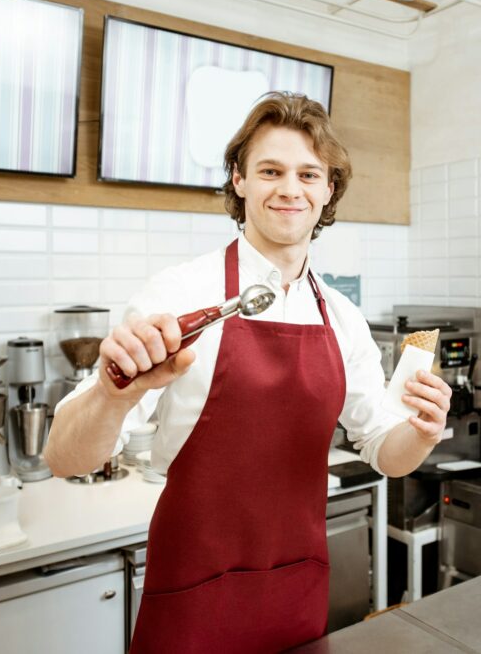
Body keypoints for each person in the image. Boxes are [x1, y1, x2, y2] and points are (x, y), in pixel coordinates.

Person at [45, 92, 451, 653]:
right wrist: (115, 396)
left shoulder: (341, 316)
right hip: (192, 594)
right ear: (239, 180)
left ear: (328, 189)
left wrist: (423, 431)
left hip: (298, 592)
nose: (291, 188)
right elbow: (65, 459)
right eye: (270, 171)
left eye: (309, 174)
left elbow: (386, 452)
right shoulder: (180, 294)